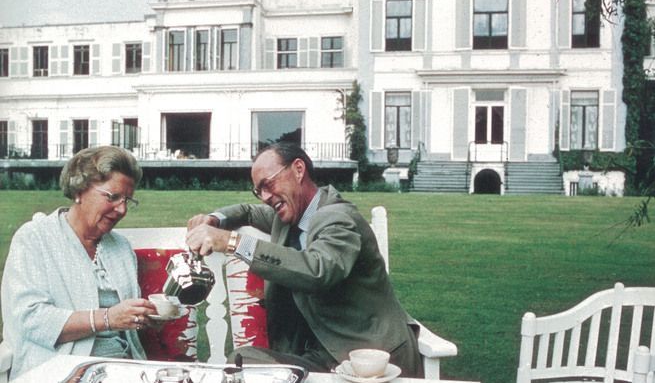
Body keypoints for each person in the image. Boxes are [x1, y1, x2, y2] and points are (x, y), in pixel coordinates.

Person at [186, 142, 423, 377]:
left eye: (268, 184)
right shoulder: (289, 216)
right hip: (322, 357)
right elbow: (247, 212)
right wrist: (214, 219)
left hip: (371, 359)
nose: (265, 197)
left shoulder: (339, 219)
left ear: (299, 170)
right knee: (242, 361)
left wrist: (232, 242)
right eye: (259, 190)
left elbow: (318, 271)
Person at [1, 146, 157, 380]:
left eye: (127, 200)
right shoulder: (35, 238)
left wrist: (143, 317)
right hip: (58, 369)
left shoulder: (120, 248)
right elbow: (30, 319)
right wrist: (107, 318)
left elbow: (125, 326)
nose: (122, 209)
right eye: (113, 197)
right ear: (80, 190)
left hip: (124, 369)